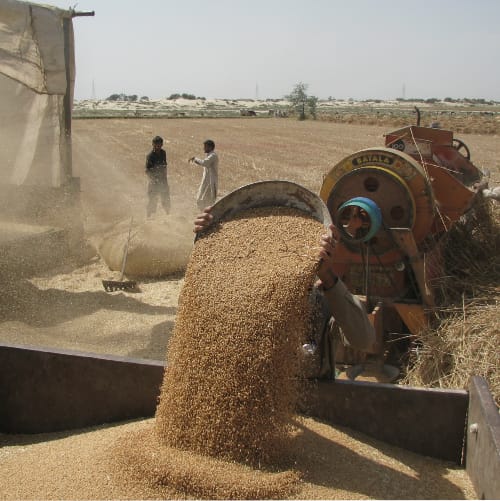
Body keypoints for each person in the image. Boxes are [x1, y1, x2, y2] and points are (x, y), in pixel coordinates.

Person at [193, 206, 376, 379]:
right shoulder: (240, 298)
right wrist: (208, 245)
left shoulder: (323, 300)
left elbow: (364, 339)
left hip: (313, 401)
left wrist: (328, 275)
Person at [189, 139, 219, 210]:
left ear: (210, 147)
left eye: (205, 146)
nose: (204, 148)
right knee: (200, 200)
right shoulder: (209, 155)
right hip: (206, 182)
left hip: (211, 183)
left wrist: (195, 159)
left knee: (207, 202)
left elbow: (205, 163)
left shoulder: (213, 156)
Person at [145, 135, 170, 217]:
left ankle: (168, 214)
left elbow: (164, 165)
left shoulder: (163, 153)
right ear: (153, 144)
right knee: (152, 199)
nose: (158, 147)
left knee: (166, 197)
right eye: (156, 145)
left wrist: (164, 177)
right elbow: (147, 170)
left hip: (163, 179)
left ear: (162, 144)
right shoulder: (150, 156)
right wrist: (154, 179)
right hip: (154, 181)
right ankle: (149, 216)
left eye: (159, 145)